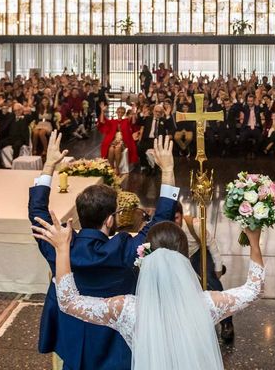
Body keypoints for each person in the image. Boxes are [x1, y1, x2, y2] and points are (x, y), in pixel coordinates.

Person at [32, 210, 265, 370]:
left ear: (147, 256)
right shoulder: (206, 305)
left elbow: (69, 302)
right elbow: (254, 288)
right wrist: (254, 242)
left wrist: (63, 250)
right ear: (184, 258)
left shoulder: (128, 310)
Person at [28, 132, 178, 370]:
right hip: (117, 351)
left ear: (80, 215)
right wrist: (168, 170)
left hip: (75, 347)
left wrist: (48, 165)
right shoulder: (125, 250)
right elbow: (161, 220)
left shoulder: (61, 247)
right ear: (110, 220)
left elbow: (38, 214)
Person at [173, 203, 234, 343]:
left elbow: (211, 244)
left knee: (211, 281)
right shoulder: (164, 226)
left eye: (176, 218)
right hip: (177, 258)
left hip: (197, 254)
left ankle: (226, 322)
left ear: (181, 215)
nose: (173, 221)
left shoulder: (193, 225)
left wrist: (217, 269)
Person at [97, 103, 138, 175]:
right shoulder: (112, 121)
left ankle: (117, 168)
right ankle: (112, 167)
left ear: (124, 113)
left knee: (118, 148)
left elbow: (133, 122)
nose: (120, 113)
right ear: (116, 112)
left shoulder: (126, 121)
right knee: (111, 149)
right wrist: (102, 111)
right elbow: (102, 121)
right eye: (119, 112)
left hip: (123, 141)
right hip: (113, 140)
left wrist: (134, 112)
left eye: (122, 112)